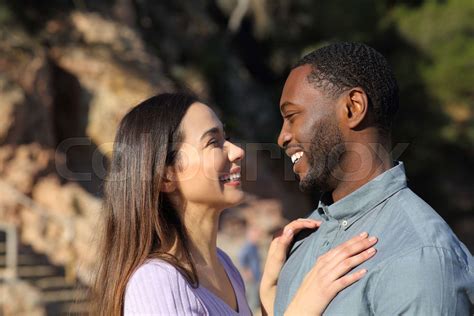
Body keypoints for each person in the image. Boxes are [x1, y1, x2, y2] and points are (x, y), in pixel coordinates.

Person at [91, 92, 379, 315]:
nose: (237, 151)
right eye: (213, 143)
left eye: (226, 138)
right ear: (166, 176)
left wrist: (267, 292)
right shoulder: (156, 283)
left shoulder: (226, 268)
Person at [274, 42, 474, 315]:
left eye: (292, 116)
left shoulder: (419, 258)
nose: (282, 137)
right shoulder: (301, 241)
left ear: (353, 108)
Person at [238, 225, 262, 312]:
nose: (258, 237)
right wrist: (246, 271)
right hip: (250, 278)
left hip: (255, 277)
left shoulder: (255, 247)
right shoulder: (248, 247)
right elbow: (241, 258)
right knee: (252, 301)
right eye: (256, 235)